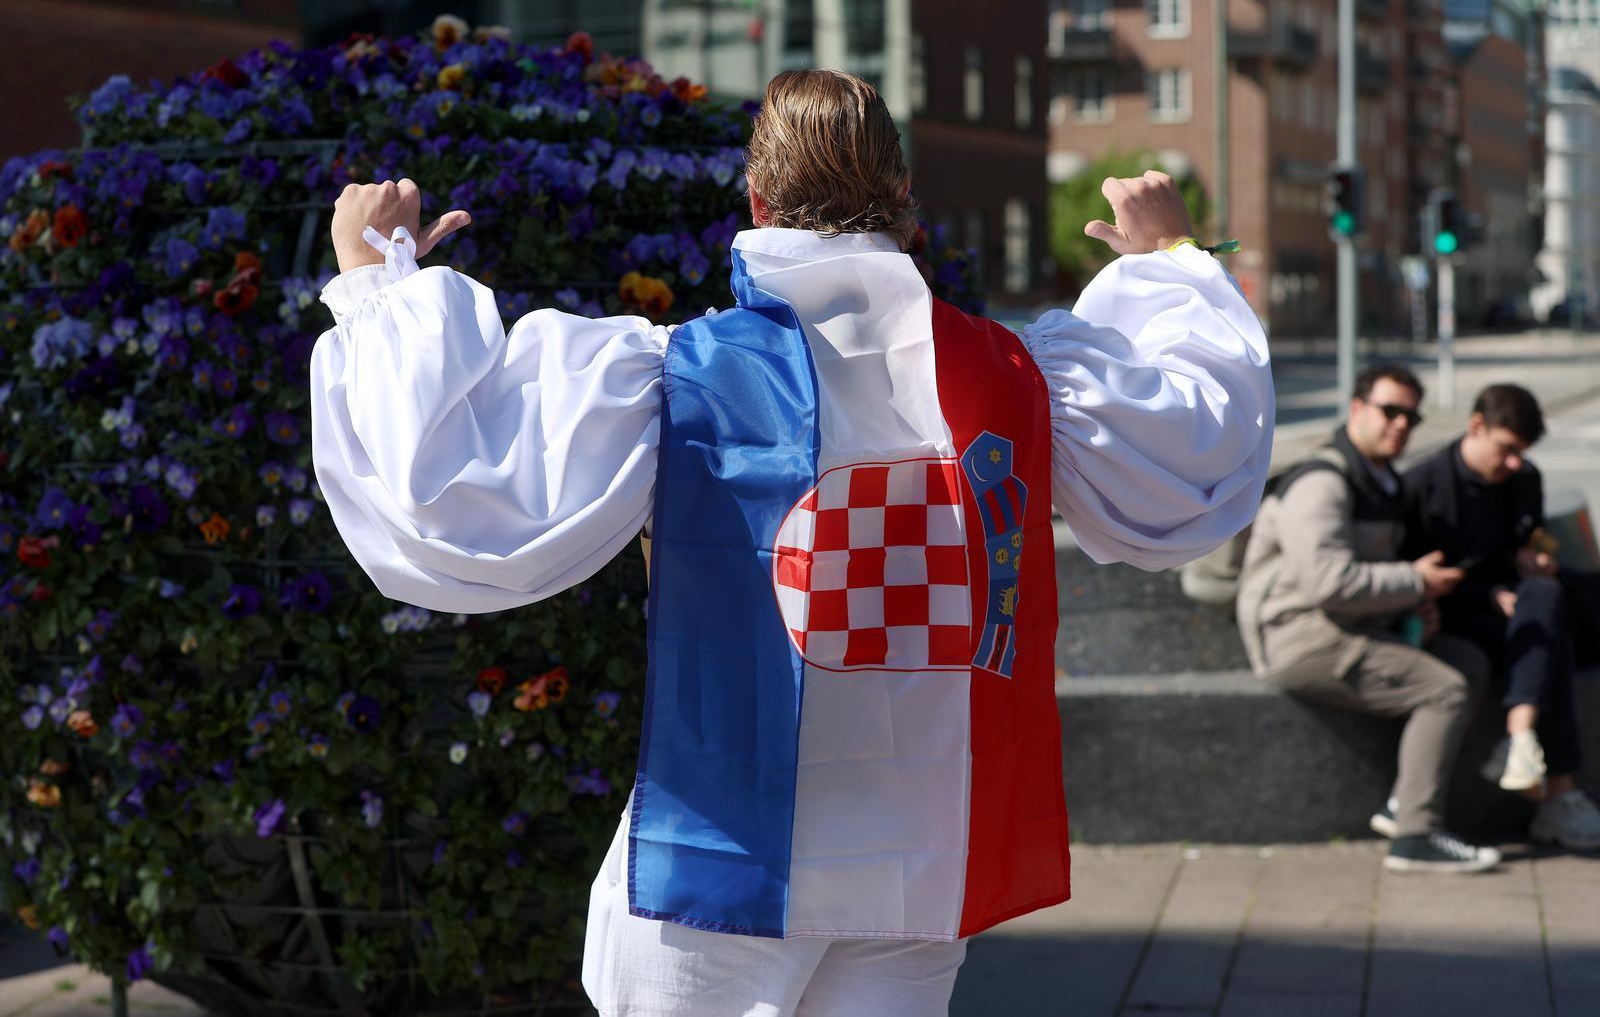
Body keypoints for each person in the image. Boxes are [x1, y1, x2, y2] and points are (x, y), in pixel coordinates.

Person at [308, 69, 1274, 1016]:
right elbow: (1200, 437)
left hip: (731, 844)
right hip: (929, 846)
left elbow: (451, 490)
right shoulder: (1025, 378)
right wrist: (1165, 259)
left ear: (758, 200)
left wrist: (380, 285)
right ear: (904, 201)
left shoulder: (676, 374)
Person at [1236, 362, 1501, 874]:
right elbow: (1327, 583)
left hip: (1345, 626)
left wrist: (1411, 604)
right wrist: (1415, 582)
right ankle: (1415, 834)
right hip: (1295, 635)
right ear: (1357, 409)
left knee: (1468, 659)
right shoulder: (1324, 483)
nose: (1401, 424)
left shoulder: (1380, 481)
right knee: (1443, 688)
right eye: (1390, 411)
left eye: (1411, 417)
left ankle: (1404, 800)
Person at [1401, 383, 1600, 849]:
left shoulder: (1524, 479)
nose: (1514, 464)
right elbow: (1417, 577)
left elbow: (1525, 543)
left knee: (1549, 601)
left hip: (1523, 605)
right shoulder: (1424, 485)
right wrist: (1490, 594)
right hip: (1457, 614)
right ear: (1476, 426)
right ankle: (1555, 792)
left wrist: (1533, 560)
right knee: (1549, 630)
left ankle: (1521, 739)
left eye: (1522, 453)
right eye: (1507, 449)